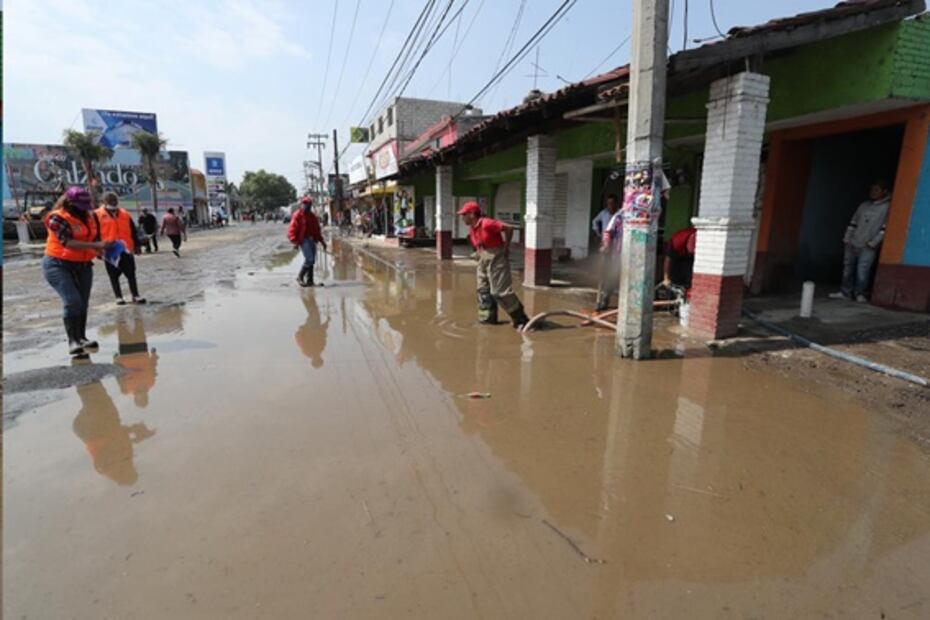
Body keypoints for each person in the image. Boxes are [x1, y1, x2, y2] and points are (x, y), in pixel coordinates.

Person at [42, 186, 115, 357]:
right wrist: (95, 246)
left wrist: (104, 250)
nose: (84, 209)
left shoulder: (90, 216)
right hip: (58, 264)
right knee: (72, 301)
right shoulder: (57, 218)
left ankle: (81, 337)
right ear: (70, 203)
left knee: (82, 302)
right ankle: (72, 341)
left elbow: (93, 238)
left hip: (82, 264)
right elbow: (67, 243)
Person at [458, 201, 530, 329]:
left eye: (464, 214)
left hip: (496, 257)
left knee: (500, 292)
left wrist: (506, 247)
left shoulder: (487, 223)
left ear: (472, 214)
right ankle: (487, 319)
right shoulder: (473, 227)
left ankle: (521, 320)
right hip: (483, 257)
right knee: (483, 290)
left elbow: (509, 228)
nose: (462, 217)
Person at [829, 181, 892, 302]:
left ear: (884, 191)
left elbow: (885, 228)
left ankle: (860, 294)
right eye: (872, 189)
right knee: (848, 269)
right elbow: (853, 222)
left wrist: (874, 242)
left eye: (876, 189)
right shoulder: (863, 205)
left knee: (862, 271)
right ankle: (845, 292)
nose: (873, 192)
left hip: (868, 245)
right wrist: (847, 238)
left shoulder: (887, 207)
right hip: (853, 242)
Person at [96, 192, 146, 305]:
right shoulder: (97, 215)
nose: (113, 202)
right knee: (113, 275)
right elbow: (95, 234)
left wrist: (137, 245)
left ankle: (135, 295)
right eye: (110, 201)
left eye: (115, 200)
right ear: (104, 202)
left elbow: (133, 230)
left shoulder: (125, 214)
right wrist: (98, 250)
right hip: (109, 250)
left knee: (131, 273)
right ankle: (118, 297)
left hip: (126, 248)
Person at [288, 196, 327, 287]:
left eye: (309, 205)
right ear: (302, 205)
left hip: (311, 239)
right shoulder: (298, 215)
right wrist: (295, 241)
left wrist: (322, 241)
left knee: (312, 261)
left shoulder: (312, 216)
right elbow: (292, 229)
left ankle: (310, 281)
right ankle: (300, 277)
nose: (307, 206)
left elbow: (317, 230)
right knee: (309, 259)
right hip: (303, 240)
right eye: (305, 204)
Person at [594, 195, 620, 312]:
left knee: (612, 275)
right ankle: (600, 299)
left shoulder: (620, 216)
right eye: (608, 203)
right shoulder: (604, 214)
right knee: (602, 272)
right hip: (606, 248)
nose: (610, 206)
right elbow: (597, 223)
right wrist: (600, 235)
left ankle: (605, 298)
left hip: (617, 250)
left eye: (612, 203)